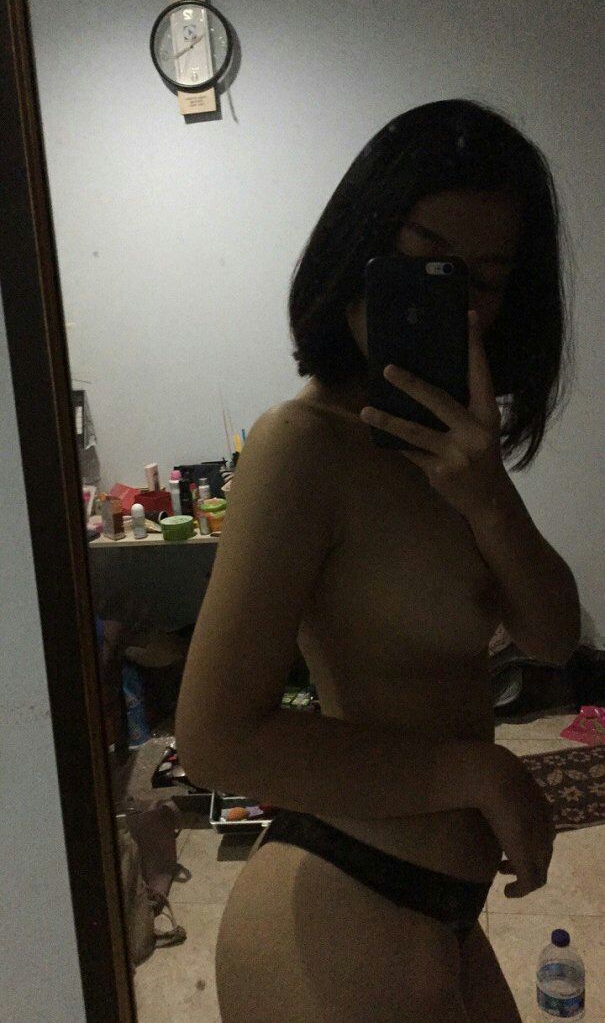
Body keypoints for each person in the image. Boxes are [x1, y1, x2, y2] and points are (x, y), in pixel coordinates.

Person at [176, 98, 579, 1022]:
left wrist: (488, 495)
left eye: (485, 279)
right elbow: (213, 738)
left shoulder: (455, 457)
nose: (453, 300)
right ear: (360, 245)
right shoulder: (301, 445)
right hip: (339, 897)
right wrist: (479, 772)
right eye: (424, 257)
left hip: (436, 911)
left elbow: (553, 636)